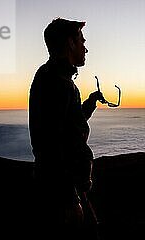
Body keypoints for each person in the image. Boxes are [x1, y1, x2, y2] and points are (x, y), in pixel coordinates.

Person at [28, 18, 102, 239]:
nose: (85, 47)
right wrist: (73, 188)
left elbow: (66, 123)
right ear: (70, 43)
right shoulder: (58, 83)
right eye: (81, 40)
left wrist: (89, 104)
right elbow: (55, 141)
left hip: (62, 187)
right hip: (63, 193)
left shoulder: (51, 77)